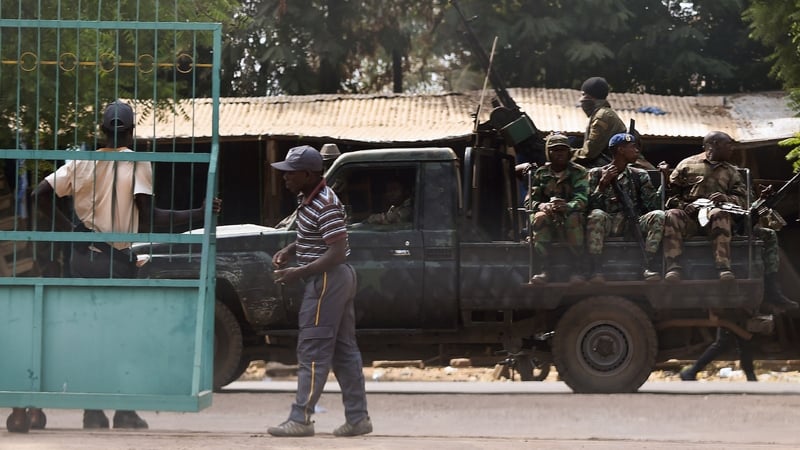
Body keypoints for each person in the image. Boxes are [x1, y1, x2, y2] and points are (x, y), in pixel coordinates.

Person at [28, 100, 221, 430]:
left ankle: (92, 411)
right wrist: (199, 214)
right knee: (122, 337)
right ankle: (125, 411)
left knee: (90, 337)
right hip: (115, 261)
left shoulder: (81, 161)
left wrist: (71, 233)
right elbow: (151, 218)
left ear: (102, 131)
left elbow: (37, 195)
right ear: (132, 132)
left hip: (82, 259)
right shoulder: (137, 163)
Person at [268, 145, 371, 437]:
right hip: (335, 279)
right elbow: (317, 239)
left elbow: (336, 252)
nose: (285, 178)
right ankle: (358, 418)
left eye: (290, 173)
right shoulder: (308, 198)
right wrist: (291, 249)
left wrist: (298, 272)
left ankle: (300, 418)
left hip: (328, 280)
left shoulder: (324, 203)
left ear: (308, 174)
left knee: (312, 349)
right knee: (344, 351)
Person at [662, 131, 798, 310]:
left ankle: (723, 268)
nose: (732, 148)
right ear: (714, 144)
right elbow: (669, 195)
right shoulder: (686, 165)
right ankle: (673, 266)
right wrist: (684, 205)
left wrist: (727, 199)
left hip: (720, 220)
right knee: (671, 214)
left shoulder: (731, 171)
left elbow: (744, 199)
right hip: (690, 220)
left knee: (719, 213)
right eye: (728, 144)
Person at [585, 133, 664, 282]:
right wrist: (602, 184)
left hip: (631, 222)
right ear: (621, 150)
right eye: (633, 147)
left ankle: (647, 265)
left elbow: (653, 204)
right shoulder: (596, 174)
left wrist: (663, 182)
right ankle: (596, 269)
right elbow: (588, 206)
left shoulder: (639, 175)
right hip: (607, 222)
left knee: (658, 215)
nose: (637, 151)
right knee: (596, 214)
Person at [525, 133, 588, 284]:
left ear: (569, 152)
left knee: (574, 219)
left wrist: (567, 206)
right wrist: (542, 205)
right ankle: (545, 269)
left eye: (563, 150)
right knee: (539, 217)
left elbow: (583, 199)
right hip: (549, 216)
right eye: (555, 150)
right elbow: (530, 201)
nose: (560, 153)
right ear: (548, 152)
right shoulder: (541, 173)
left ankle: (577, 269)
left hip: (571, 215)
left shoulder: (578, 172)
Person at [679, 327, 757, 382]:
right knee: (730, 343)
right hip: (733, 309)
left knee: (738, 343)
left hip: (733, 308)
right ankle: (691, 372)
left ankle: (691, 372)